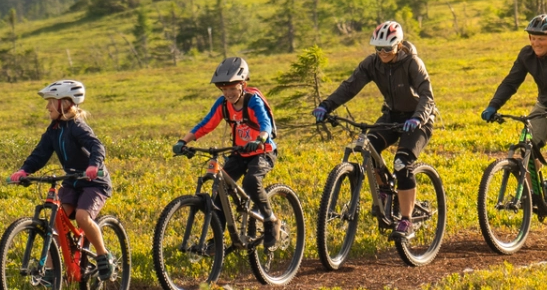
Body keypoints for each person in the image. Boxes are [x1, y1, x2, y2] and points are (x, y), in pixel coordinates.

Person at [311, 20, 436, 237]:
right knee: (369, 146)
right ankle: (385, 190)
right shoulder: (372, 63)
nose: (382, 53)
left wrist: (417, 118)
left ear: (398, 45)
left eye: (387, 48)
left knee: (402, 163)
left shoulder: (412, 63)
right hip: (392, 116)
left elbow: (427, 95)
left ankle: (406, 221)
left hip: (419, 119)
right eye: (378, 48)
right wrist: (326, 105)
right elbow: (350, 86)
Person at [481, 13, 547, 223]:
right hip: (545, 106)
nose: (536, 43)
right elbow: (510, 83)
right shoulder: (527, 55)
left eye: (541, 38)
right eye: (532, 38)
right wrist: (493, 106)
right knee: (526, 148)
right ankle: (534, 195)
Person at [7, 78, 117, 283]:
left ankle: (103, 256)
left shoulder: (77, 126)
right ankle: (51, 271)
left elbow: (97, 146)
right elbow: (40, 153)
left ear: (65, 104)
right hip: (72, 182)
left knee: (83, 217)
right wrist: (24, 170)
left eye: (51, 102)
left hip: (94, 183)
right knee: (56, 222)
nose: (47, 107)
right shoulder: (53, 130)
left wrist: (94, 166)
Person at [176, 56, 280, 247]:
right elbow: (206, 124)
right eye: (223, 89)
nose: (228, 93)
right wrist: (183, 141)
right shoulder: (223, 104)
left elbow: (265, 122)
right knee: (219, 190)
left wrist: (261, 138)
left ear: (243, 84)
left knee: (251, 182)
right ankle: (218, 239)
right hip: (239, 152)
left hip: (262, 151)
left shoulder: (253, 101)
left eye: (232, 88)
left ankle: (270, 220)